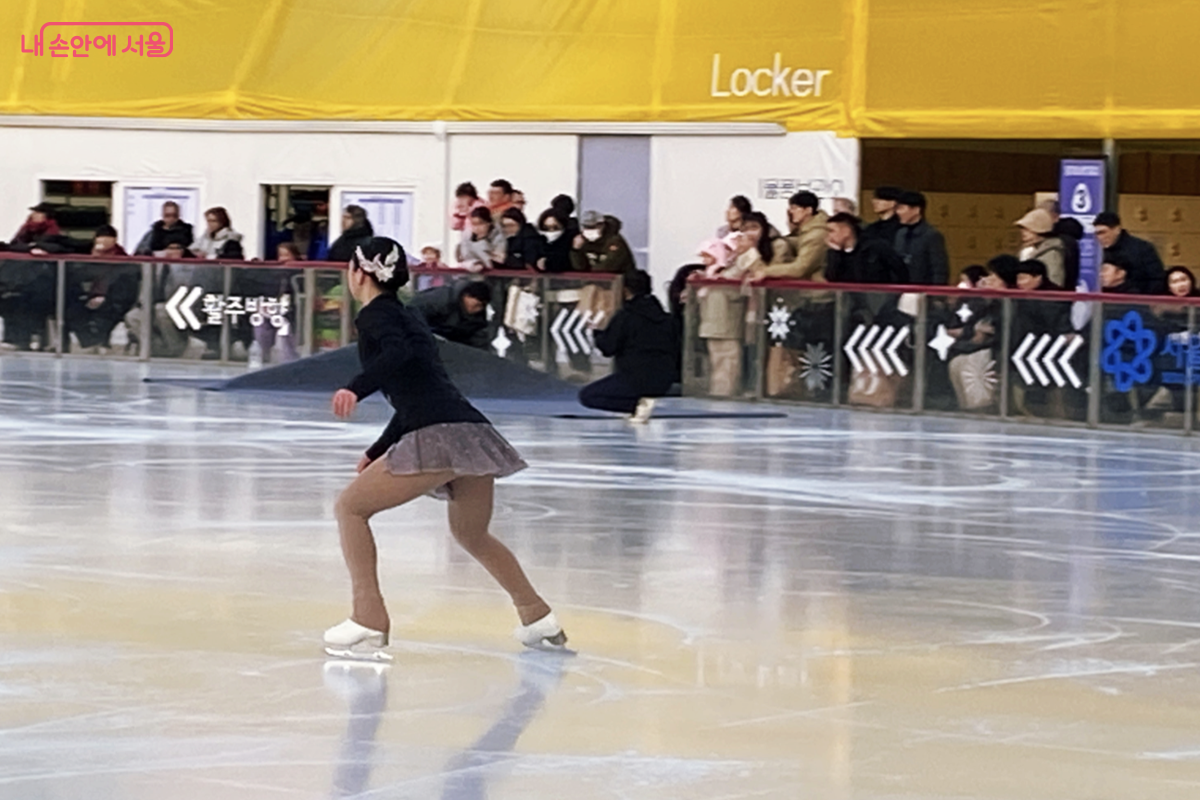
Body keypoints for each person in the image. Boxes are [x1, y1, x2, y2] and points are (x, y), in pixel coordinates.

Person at [323, 237, 564, 659]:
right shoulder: (408, 315)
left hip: (437, 433)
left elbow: (397, 359)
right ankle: (537, 616)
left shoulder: (375, 316)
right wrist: (379, 448)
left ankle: (368, 618)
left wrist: (355, 387)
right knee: (471, 532)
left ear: (358, 272)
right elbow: (417, 391)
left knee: (350, 509)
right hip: (469, 430)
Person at [578, 270, 678, 423]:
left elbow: (607, 348)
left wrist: (598, 332)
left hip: (634, 377)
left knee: (587, 396)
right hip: (664, 378)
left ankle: (636, 405)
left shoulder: (626, 316)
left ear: (624, 290)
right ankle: (642, 403)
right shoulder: (666, 318)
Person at [755, 191, 827, 279]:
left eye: (794, 208)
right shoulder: (808, 231)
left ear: (808, 210)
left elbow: (800, 269)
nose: (791, 212)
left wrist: (766, 271)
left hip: (815, 288)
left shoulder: (816, 235)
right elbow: (797, 242)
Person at [1093, 211, 1167, 295]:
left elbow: (1157, 279)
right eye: (1097, 234)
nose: (1100, 237)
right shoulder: (1099, 253)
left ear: (1117, 230)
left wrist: (1142, 300)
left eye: (1103, 232)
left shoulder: (1142, 249)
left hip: (1137, 302)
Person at [824, 213, 909, 284]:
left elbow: (900, 272)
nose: (829, 236)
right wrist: (837, 254)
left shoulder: (876, 247)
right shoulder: (834, 253)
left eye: (831, 231)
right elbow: (832, 279)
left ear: (846, 231)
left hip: (879, 298)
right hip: (849, 300)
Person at [408, 280, 493, 349]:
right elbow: (412, 314)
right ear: (466, 296)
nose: (478, 309)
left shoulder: (478, 318)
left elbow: (478, 340)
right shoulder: (440, 299)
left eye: (482, 306)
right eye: (476, 305)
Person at [893, 191, 949, 286]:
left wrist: (935, 295)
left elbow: (939, 269)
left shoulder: (931, 235)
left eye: (901, 208)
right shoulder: (900, 234)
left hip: (922, 289)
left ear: (916, 210)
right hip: (900, 289)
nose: (898, 212)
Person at [1014, 209, 1068, 287]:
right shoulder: (1028, 251)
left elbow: (1055, 282)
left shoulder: (1052, 254)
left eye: (1027, 229)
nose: (1023, 232)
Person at [570, 211, 636, 274]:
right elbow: (579, 267)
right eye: (586, 227)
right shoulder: (582, 240)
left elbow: (608, 267)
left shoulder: (614, 241)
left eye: (593, 227)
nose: (589, 230)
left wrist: (590, 274)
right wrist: (576, 250)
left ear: (602, 225)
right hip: (592, 280)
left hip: (618, 279)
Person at [456, 207, 506, 272]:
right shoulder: (468, 237)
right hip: (469, 274)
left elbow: (498, 260)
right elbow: (463, 258)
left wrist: (482, 242)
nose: (477, 228)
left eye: (480, 224)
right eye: (474, 224)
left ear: (489, 223)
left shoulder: (499, 238)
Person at [536, 209, 572, 273]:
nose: (551, 230)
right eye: (546, 228)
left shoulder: (569, 241)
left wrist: (546, 262)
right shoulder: (539, 241)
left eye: (555, 227)